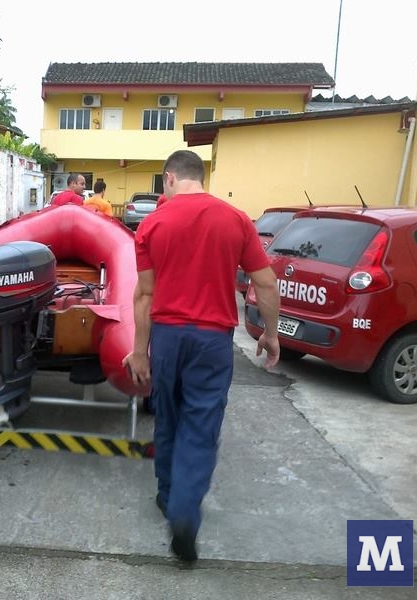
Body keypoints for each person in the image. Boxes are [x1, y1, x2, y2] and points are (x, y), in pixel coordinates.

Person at [122, 150, 280, 562]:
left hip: (168, 338)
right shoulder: (236, 219)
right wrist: (270, 334)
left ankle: (167, 494)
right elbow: (265, 283)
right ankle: (184, 514)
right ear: (200, 177)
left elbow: (144, 294)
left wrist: (139, 352)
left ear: (170, 178)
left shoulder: (152, 224)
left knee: (168, 415)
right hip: (212, 340)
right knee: (200, 426)